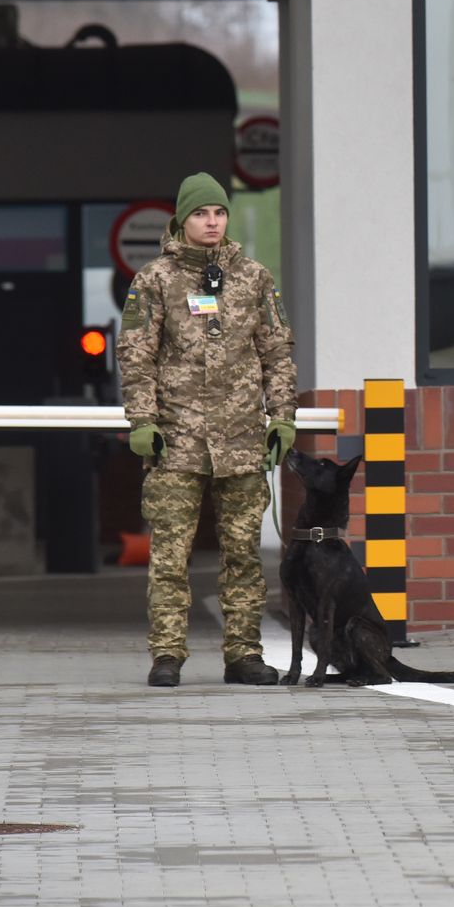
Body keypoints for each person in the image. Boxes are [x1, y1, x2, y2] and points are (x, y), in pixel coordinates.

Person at [116, 172, 298, 688]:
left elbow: (277, 352)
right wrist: (142, 420)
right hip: (176, 440)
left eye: (219, 212)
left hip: (241, 440)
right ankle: (167, 654)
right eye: (201, 213)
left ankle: (244, 654)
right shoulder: (155, 279)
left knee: (243, 555)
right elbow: (136, 355)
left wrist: (282, 416)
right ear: (183, 219)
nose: (212, 222)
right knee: (170, 556)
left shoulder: (254, 277)